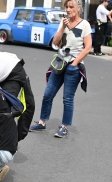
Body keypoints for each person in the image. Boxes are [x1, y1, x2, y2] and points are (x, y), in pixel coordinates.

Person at [29, 0, 92, 138]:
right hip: (59, 63)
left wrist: (75, 64)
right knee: (48, 94)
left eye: (71, 7)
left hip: (73, 66)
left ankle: (64, 127)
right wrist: (63, 27)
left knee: (67, 98)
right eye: (67, 7)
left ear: (79, 8)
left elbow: (87, 48)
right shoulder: (63, 23)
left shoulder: (85, 25)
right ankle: (42, 122)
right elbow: (55, 43)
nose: (68, 9)